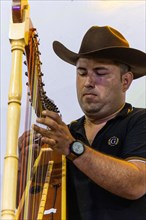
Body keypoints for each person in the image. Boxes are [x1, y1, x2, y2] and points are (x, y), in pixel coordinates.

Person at [19, 26, 146, 220]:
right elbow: (26, 209)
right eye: (82, 72)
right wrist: (24, 165)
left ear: (125, 81)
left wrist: (73, 148)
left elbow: (137, 184)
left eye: (100, 72)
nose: (88, 82)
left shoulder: (139, 120)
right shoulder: (65, 134)